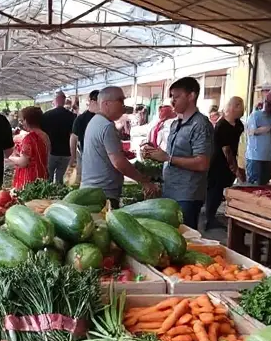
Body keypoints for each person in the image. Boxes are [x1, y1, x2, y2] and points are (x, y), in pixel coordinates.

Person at [141, 77, 214, 229]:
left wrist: (168, 158)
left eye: (177, 97)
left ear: (191, 96)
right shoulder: (176, 123)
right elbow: (173, 154)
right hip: (170, 190)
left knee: (185, 236)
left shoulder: (200, 125)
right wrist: (153, 152)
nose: (172, 101)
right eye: (172, 97)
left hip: (187, 195)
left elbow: (202, 163)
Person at [80, 87, 157, 205]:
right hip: (103, 194)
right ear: (106, 104)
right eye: (120, 100)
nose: (123, 105)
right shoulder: (106, 126)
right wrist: (144, 181)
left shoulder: (96, 121)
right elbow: (119, 162)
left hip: (92, 191)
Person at [205, 96, 245, 230]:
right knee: (214, 190)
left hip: (231, 161)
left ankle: (213, 215)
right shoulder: (221, 126)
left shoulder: (239, 125)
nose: (242, 110)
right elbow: (226, 149)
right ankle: (209, 218)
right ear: (233, 107)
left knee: (224, 188)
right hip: (218, 163)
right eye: (240, 106)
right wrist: (235, 168)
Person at [9, 106, 49, 189]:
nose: (22, 123)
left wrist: (10, 157)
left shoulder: (29, 138)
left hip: (29, 179)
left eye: (22, 120)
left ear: (26, 120)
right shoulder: (45, 135)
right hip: (42, 175)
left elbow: (23, 162)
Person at [41, 91, 76, 184]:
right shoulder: (72, 116)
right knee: (60, 181)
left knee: (47, 179)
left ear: (55, 100)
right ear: (64, 100)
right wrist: (73, 155)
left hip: (51, 152)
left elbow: (42, 134)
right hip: (66, 152)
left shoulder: (46, 115)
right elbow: (73, 135)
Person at [69, 90, 99, 173]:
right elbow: (73, 138)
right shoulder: (81, 119)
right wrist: (73, 157)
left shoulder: (103, 117)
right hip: (87, 155)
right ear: (92, 101)